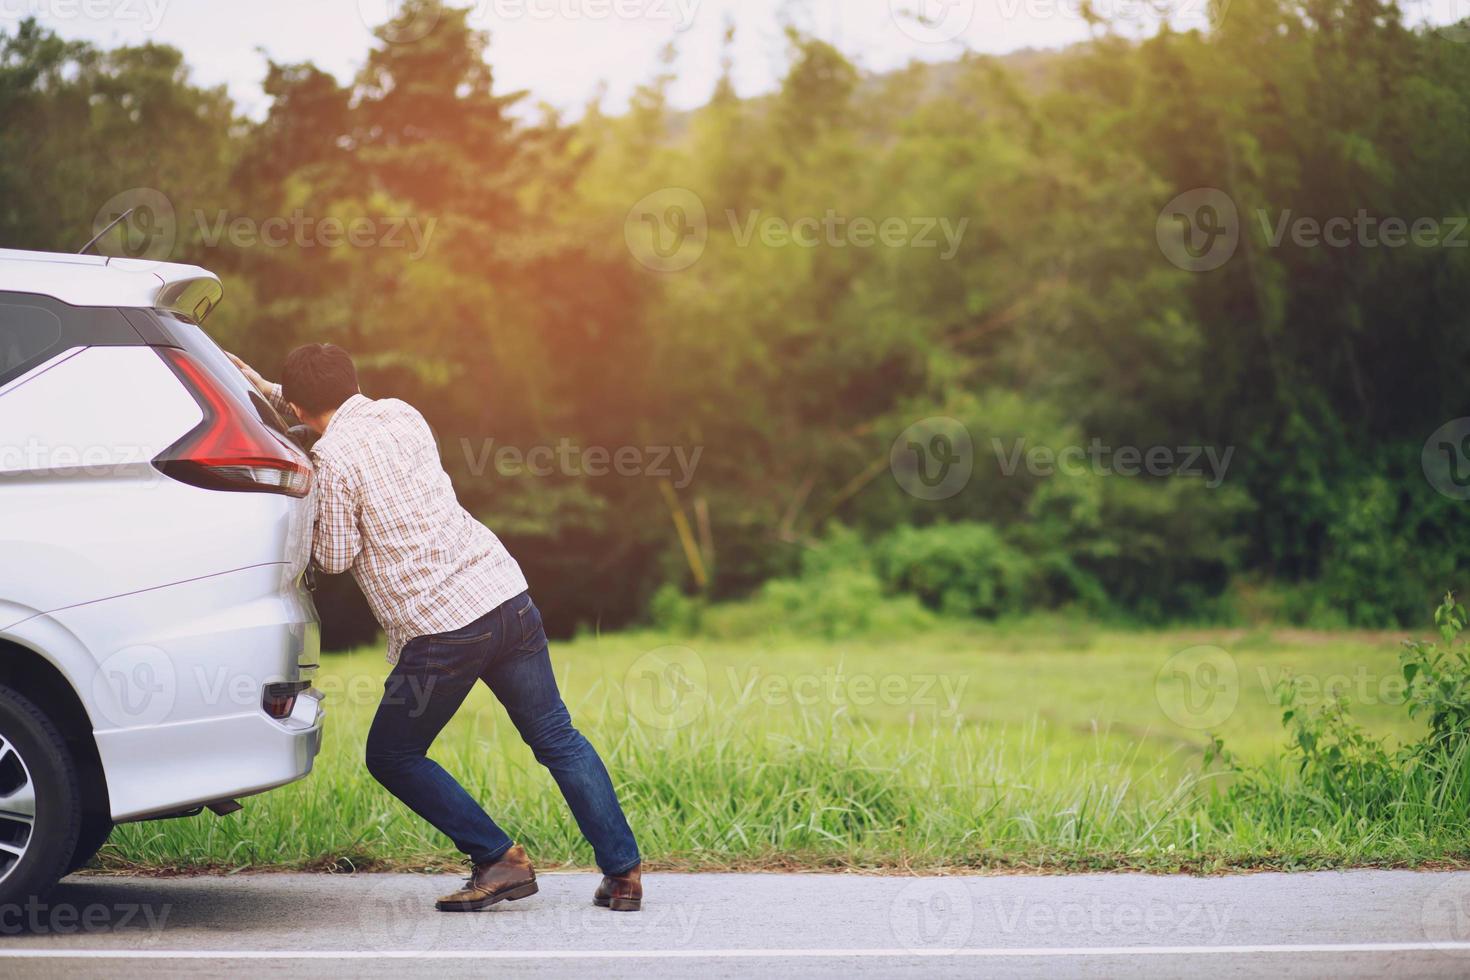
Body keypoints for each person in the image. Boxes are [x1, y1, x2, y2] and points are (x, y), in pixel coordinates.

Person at [229, 343, 643, 913]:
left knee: (392, 755)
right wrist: (267, 386)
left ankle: (499, 858)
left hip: (442, 628)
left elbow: (335, 556)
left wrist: (308, 506)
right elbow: (322, 408)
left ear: (299, 407)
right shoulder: (402, 412)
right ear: (350, 381)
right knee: (556, 737)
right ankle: (623, 874)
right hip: (505, 595)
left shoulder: (333, 460)